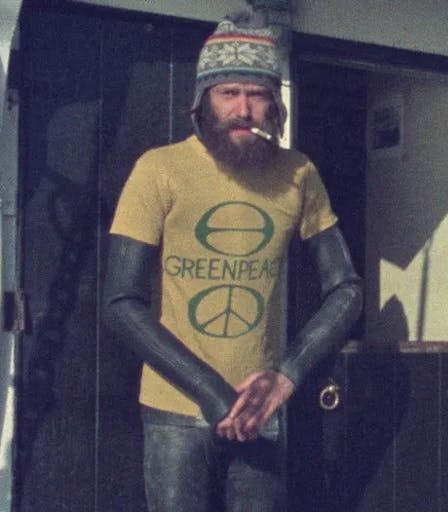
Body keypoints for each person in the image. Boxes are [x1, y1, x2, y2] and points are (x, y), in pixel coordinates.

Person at [102, 10, 362, 512]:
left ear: (275, 104)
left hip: (262, 407)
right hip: (175, 409)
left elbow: (346, 289)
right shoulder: (159, 169)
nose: (243, 108)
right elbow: (120, 301)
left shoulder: (298, 174)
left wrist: (285, 376)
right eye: (229, 93)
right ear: (202, 101)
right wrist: (211, 391)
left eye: (257, 93)